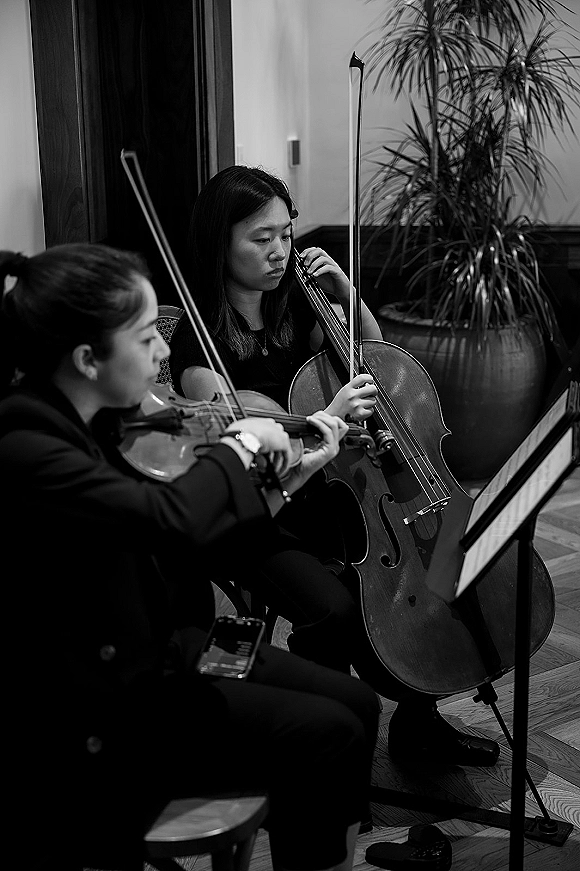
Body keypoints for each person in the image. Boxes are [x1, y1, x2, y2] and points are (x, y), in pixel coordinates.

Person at [0, 243, 381, 871]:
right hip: (120, 700)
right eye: (149, 335)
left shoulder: (102, 422)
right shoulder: (30, 452)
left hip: (187, 645)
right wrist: (237, 445)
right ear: (87, 358)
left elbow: (207, 537)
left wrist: (291, 475)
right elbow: (170, 522)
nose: (163, 354)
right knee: (328, 733)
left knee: (357, 703)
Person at [169, 165, 501, 771]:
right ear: (221, 244)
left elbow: (371, 360)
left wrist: (347, 292)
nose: (279, 252)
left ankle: (416, 721)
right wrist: (328, 415)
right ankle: (321, 741)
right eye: (260, 238)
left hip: (343, 491)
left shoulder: (299, 301)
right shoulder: (199, 343)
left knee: (431, 571)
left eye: (286, 234)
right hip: (267, 511)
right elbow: (247, 449)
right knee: (339, 607)